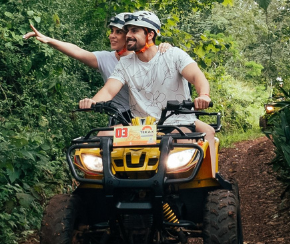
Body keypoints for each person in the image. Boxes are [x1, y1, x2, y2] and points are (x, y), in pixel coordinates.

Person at [79, 11, 215, 145]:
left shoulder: (173, 55)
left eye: (134, 31)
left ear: (150, 34)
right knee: (102, 136)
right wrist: (92, 102)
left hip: (176, 123)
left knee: (178, 141)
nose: (128, 35)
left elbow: (197, 77)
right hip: (140, 127)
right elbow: (109, 90)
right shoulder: (125, 63)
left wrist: (204, 95)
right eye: (127, 31)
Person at [24, 12, 168, 119]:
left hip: (150, 117)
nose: (112, 36)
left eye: (118, 32)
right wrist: (48, 40)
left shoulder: (140, 58)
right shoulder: (106, 58)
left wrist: (165, 48)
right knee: (95, 148)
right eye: (112, 31)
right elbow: (77, 51)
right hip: (121, 119)